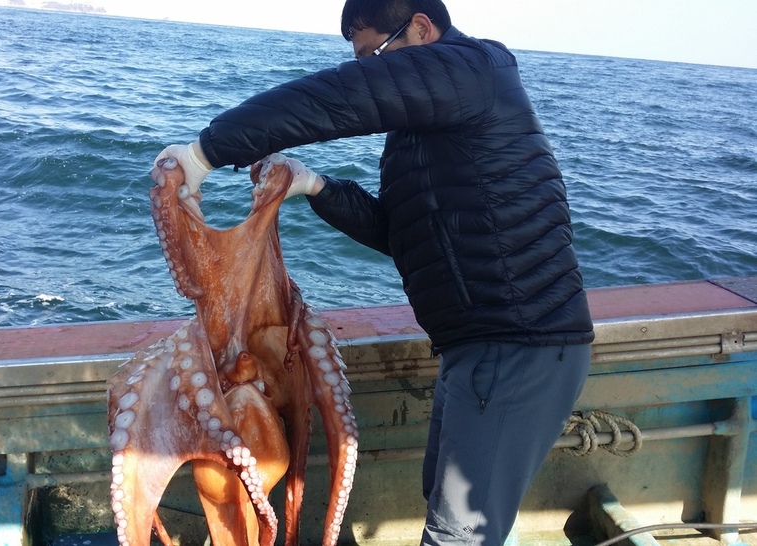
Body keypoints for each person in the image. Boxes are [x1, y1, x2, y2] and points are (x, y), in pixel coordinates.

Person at [155, 0, 595, 544]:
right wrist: (315, 186)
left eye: (375, 57)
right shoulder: (428, 131)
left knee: (460, 533)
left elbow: (339, 99)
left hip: (518, 343)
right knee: (442, 499)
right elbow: (400, 236)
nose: (370, 70)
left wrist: (205, 153)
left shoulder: (473, 68)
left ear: (421, 28)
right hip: (477, 347)